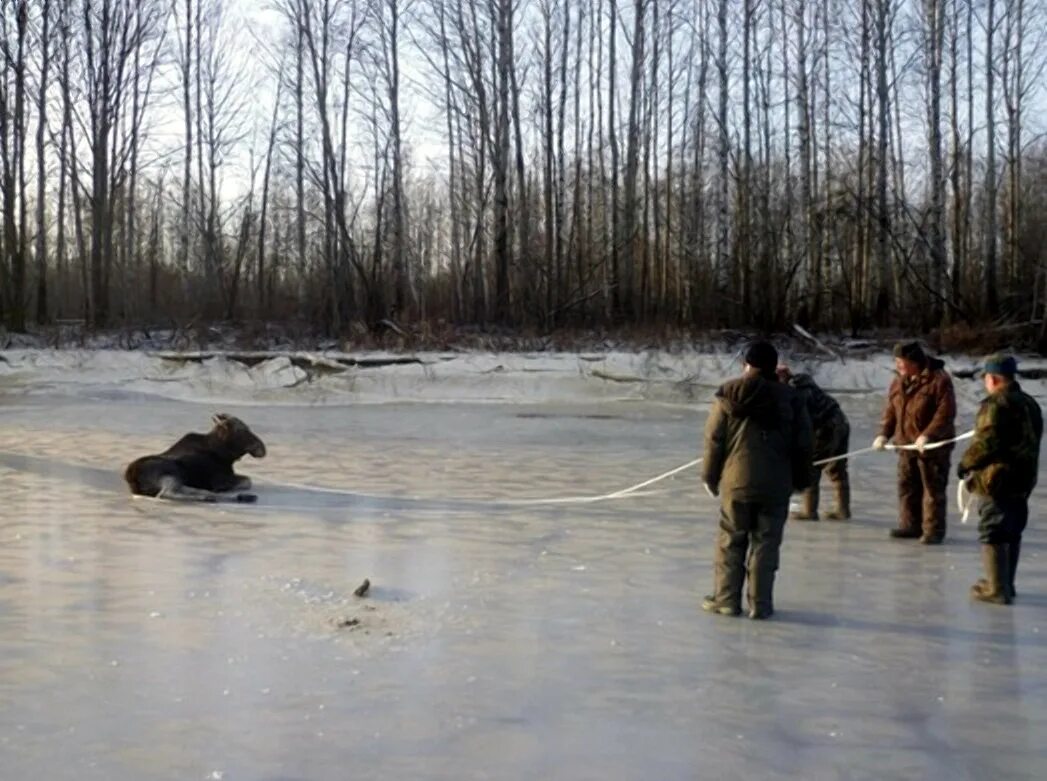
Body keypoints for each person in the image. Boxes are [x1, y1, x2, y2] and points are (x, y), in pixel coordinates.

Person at [701, 341, 813, 620]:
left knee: (732, 541)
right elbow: (804, 443)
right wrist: (802, 479)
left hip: (736, 482)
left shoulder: (728, 392)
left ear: (746, 364)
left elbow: (715, 440)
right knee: (766, 543)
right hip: (776, 483)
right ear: (774, 367)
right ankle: (760, 604)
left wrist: (710, 476)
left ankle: (727, 600)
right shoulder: (791, 398)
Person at [957, 354, 1043, 604]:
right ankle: (1006, 583)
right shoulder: (1030, 403)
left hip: (998, 479)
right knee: (1012, 529)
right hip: (1024, 477)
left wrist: (966, 464)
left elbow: (987, 442)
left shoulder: (995, 404)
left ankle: (996, 588)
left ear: (992, 378)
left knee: (993, 530)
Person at [872, 341, 957, 544]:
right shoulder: (898, 382)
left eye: (901, 361)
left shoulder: (939, 380)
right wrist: (884, 433)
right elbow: (891, 410)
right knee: (907, 486)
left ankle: (933, 530)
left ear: (914, 361)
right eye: (896, 361)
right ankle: (910, 525)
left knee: (932, 489)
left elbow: (945, 413)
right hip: (905, 445)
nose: (898, 366)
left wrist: (929, 435)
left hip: (932, 448)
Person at [777, 364, 851, 521]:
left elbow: (800, 420)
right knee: (837, 467)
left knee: (811, 465)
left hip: (825, 428)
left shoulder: (795, 391)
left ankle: (809, 511)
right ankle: (843, 509)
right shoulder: (804, 383)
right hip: (840, 422)